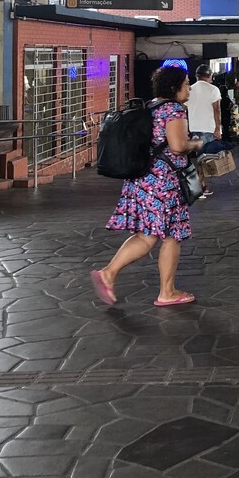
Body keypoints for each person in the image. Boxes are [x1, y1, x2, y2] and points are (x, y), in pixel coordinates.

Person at [92, 65, 203, 307]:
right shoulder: (173, 109)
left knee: (146, 236)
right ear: (175, 88)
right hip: (166, 184)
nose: (189, 89)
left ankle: (109, 273)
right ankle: (167, 291)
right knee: (172, 235)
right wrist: (196, 144)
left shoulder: (151, 106)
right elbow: (177, 146)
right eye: (186, 84)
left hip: (143, 180)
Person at [184, 64, 220, 145]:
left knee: (199, 155)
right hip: (209, 129)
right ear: (209, 75)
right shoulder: (214, 89)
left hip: (193, 129)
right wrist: (218, 128)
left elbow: (183, 109)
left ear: (197, 76)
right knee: (209, 156)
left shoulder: (189, 90)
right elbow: (217, 110)